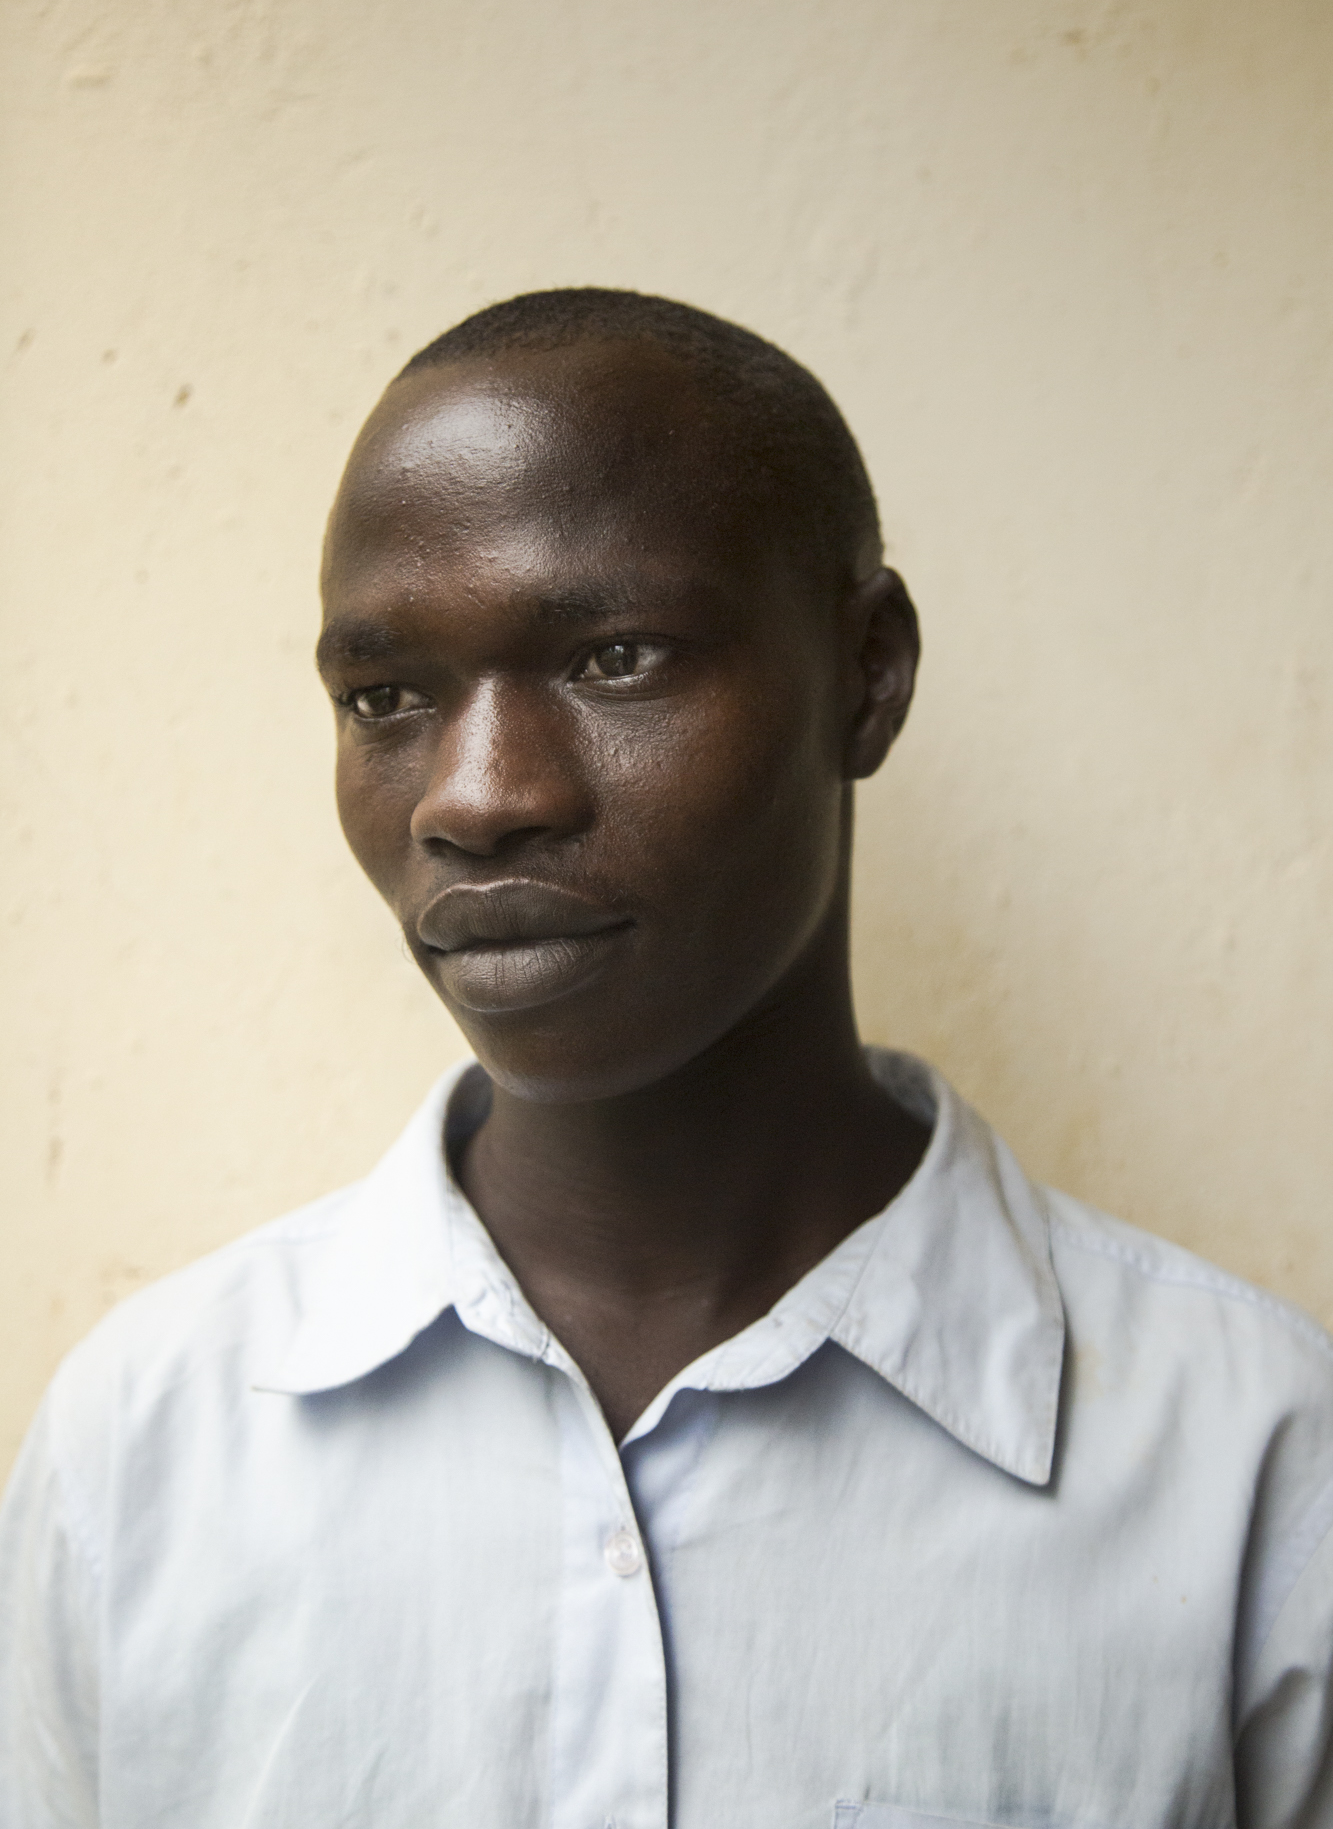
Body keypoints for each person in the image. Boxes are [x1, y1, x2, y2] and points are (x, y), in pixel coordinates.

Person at [1, 289, 1331, 1829]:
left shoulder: (1251, 1466)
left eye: (615, 657)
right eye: (386, 699)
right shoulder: (143, 1448)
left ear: (868, 673)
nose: (474, 797)